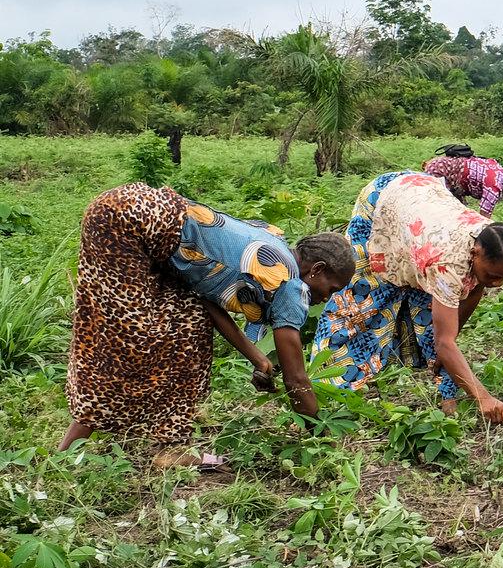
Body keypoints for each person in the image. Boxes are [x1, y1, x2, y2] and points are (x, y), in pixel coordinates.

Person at [59, 184, 354, 465]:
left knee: (188, 329)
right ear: (316, 270)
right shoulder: (289, 285)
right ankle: (66, 453)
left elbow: (205, 299)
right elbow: (296, 380)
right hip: (127, 222)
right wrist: (322, 436)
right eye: (332, 288)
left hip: (135, 215)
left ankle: (171, 446)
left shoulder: (274, 248)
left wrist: (257, 358)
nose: (325, 299)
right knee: (129, 346)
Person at [309, 171, 503, 422]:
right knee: (356, 306)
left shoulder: (492, 240)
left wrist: (449, 341)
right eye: (493, 275)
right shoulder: (447, 263)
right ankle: (325, 394)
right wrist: (483, 396)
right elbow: (445, 340)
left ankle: (448, 400)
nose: (497, 283)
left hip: (421, 211)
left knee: (437, 326)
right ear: (475, 253)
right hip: (385, 202)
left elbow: (473, 293)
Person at [422, 148, 503, 217]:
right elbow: (484, 218)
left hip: (450, 175)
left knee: (461, 212)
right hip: (440, 171)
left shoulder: (500, 172)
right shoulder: (494, 187)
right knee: (441, 211)